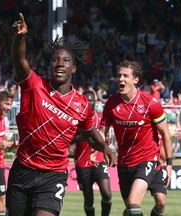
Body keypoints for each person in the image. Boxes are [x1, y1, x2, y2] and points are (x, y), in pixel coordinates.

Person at [6, 13, 115, 216]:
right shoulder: (34, 86)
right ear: (50, 65)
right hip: (23, 169)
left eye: (65, 60)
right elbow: (18, 58)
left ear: (73, 68)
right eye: (55, 60)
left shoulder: (82, 104)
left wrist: (105, 147)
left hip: (53, 175)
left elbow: (90, 134)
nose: (60, 63)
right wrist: (19, 37)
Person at [99, 60, 173, 216]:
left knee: (146, 202)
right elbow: (102, 132)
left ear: (135, 80)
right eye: (119, 76)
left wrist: (170, 162)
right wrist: (97, 150)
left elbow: (165, 132)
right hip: (124, 163)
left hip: (148, 159)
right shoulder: (111, 104)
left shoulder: (150, 103)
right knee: (129, 210)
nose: (121, 79)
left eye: (126, 76)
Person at [72, 90, 112, 216]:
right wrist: (82, 138)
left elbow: (104, 136)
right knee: (89, 199)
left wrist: (106, 142)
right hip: (82, 163)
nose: (90, 102)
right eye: (87, 100)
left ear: (95, 102)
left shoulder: (101, 117)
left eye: (92, 100)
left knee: (107, 193)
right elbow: (69, 140)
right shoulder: (76, 119)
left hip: (99, 161)